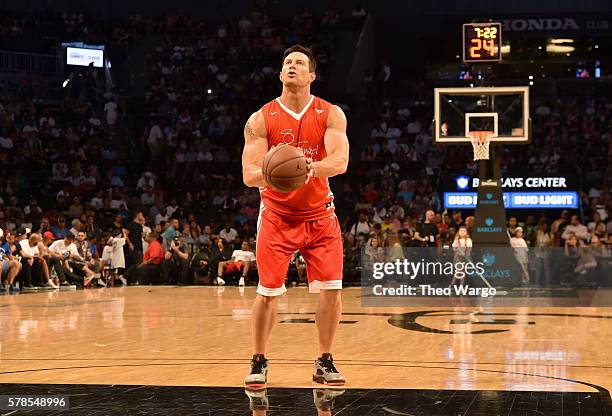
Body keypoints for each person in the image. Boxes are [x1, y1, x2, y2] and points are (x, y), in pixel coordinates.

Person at [242, 44, 349, 389]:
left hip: (320, 215)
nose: (292, 66)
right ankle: (258, 360)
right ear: (280, 73)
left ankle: (325, 360)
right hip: (277, 215)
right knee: (267, 291)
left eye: (299, 63)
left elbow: (340, 162)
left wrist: (306, 168)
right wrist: (273, 172)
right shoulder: (261, 118)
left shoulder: (330, 114)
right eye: (287, 62)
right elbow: (249, 172)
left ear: (311, 75)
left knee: (332, 291)